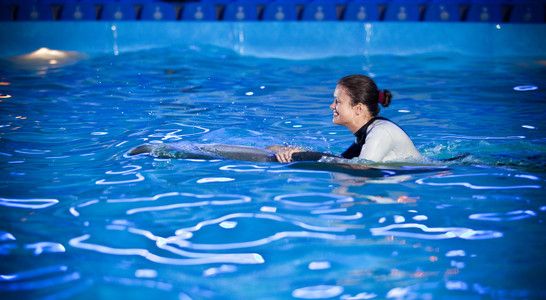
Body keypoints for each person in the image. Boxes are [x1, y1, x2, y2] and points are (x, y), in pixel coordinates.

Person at [272, 74, 423, 163]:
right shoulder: (366, 134)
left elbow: (361, 169)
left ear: (358, 109)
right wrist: (291, 151)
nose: (332, 106)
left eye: (338, 101)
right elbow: (341, 160)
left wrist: (301, 156)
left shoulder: (380, 133)